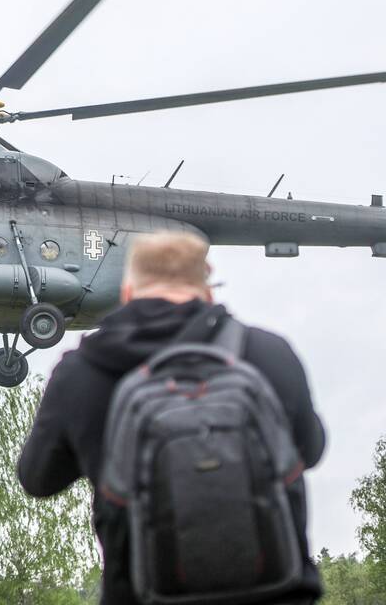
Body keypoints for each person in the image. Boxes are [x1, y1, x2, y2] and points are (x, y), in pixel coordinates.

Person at [17, 231, 326, 604]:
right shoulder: (269, 352)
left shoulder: (82, 371)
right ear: (207, 290)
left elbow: (37, 480)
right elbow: (311, 451)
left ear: (128, 291)